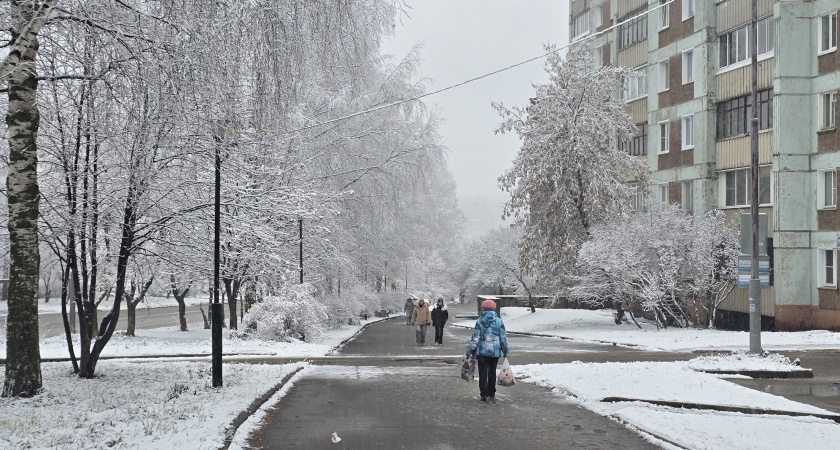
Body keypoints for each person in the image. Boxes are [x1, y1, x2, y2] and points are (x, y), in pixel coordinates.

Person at [465, 299, 509, 402]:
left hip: (482, 351)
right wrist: (505, 350)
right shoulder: (499, 321)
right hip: (495, 352)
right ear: (494, 308)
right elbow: (503, 338)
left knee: (483, 373)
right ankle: (492, 393)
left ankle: (483, 394)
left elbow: (475, 337)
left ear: (483, 308)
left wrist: (469, 350)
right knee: (492, 372)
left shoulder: (480, 321)